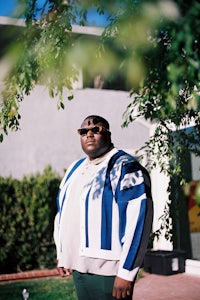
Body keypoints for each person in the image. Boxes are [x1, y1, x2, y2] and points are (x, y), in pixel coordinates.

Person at [54, 115, 153, 300]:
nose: (89, 134)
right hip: (78, 269)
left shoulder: (126, 168)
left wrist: (126, 272)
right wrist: (62, 253)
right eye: (83, 131)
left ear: (107, 133)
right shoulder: (74, 169)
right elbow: (62, 212)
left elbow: (138, 220)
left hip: (110, 273)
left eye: (95, 130)